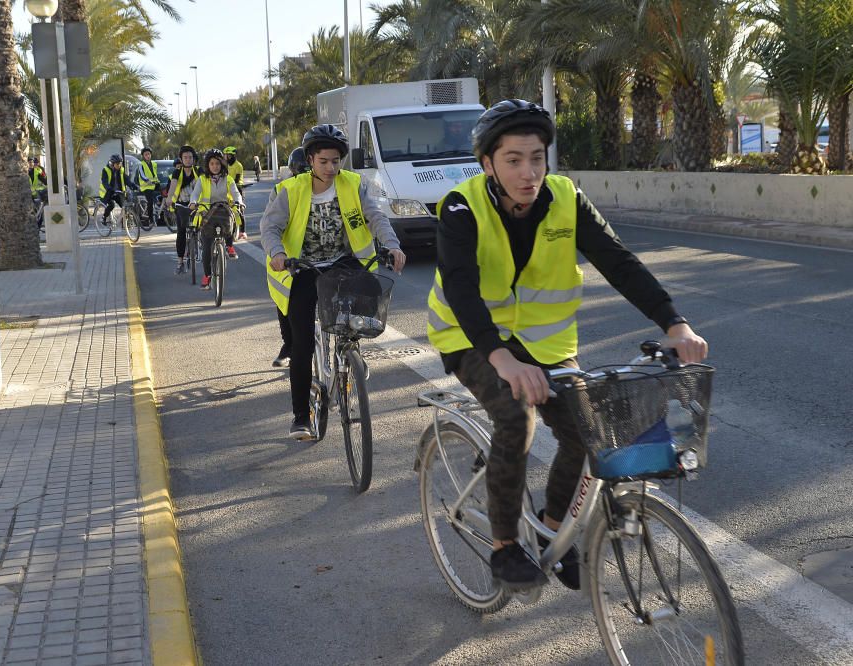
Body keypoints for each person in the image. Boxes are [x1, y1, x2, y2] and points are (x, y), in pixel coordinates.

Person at [426, 99, 708, 592]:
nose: (529, 172)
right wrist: (502, 359)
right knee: (516, 418)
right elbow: (462, 289)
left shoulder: (565, 198)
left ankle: (555, 530)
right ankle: (504, 546)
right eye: (513, 160)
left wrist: (674, 323)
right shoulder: (460, 206)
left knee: (588, 428)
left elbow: (618, 262)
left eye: (537, 158)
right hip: (472, 339)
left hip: (546, 342)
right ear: (488, 163)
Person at [261, 124, 407, 439]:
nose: (331, 168)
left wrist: (392, 245)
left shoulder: (354, 185)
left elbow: (376, 217)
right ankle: (301, 416)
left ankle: (350, 355)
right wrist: (276, 253)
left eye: (336, 161)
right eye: (324, 161)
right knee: (300, 345)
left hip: (343, 262)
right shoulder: (292, 190)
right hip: (303, 268)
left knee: (362, 306)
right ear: (310, 159)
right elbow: (270, 227)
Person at [264, 147, 314, 368]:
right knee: (286, 300)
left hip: (323, 260)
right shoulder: (282, 190)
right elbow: (270, 225)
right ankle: (289, 345)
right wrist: (278, 254)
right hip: (289, 260)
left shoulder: (332, 188)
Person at [189, 149, 242, 289]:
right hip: (207, 214)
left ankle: (230, 246)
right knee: (206, 247)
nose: (215, 166)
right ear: (208, 165)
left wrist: (239, 201)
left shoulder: (228, 178)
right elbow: (195, 194)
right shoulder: (202, 179)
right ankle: (207, 276)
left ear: (221, 164)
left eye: (217, 163)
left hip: (223, 210)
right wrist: (193, 202)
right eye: (212, 164)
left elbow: (236, 193)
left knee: (232, 217)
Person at [167, 145, 201, 275]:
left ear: (194, 159)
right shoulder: (177, 172)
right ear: (181, 159)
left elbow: (205, 183)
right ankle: (180, 262)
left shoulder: (198, 171)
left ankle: (202, 248)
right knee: (181, 232)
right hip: (181, 205)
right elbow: (172, 186)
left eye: (190, 157)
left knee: (203, 228)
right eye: (185, 157)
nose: (188, 159)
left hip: (197, 205)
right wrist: (169, 198)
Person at [224, 146, 248, 239]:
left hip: (238, 188)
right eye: (225, 156)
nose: (226, 158)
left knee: (239, 210)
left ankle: (242, 231)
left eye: (228, 156)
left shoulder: (238, 165)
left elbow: (236, 179)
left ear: (233, 156)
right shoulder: (226, 165)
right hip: (227, 189)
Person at [99, 154, 127, 224]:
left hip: (117, 192)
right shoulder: (105, 170)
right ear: (112, 163)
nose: (119, 165)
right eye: (117, 164)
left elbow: (126, 179)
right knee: (112, 205)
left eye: (120, 163)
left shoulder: (120, 170)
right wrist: (110, 188)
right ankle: (104, 217)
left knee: (124, 205)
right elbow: (104, 182)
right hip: (107, 192)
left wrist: (133, 185)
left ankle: (126, 222)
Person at [136, 146, 161, 227]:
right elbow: (142, 175)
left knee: (165, 192)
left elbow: (155, 175)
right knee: (150, 202)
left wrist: (156, 181)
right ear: (143, 156)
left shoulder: (154, 164)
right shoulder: (141, 164)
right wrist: (147, 180)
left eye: (149, 154)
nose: (148, 156)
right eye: (146, 154)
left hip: (154, 184)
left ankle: (158, 207)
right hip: (146, 186)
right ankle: (151, 220)